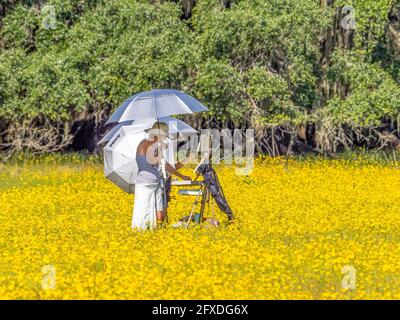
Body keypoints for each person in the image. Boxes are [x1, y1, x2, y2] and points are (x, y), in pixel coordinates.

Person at [132, 122, 191, 230]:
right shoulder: (146, 144)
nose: (164, 139)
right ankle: (142, 232)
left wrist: (182, 175)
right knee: (143, 213)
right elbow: (159, 162)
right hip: (146, 184)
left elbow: (164, 165)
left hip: (155, 183)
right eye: (163, 136)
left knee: (158, 213)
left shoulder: (153, 145)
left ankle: (154, 231)